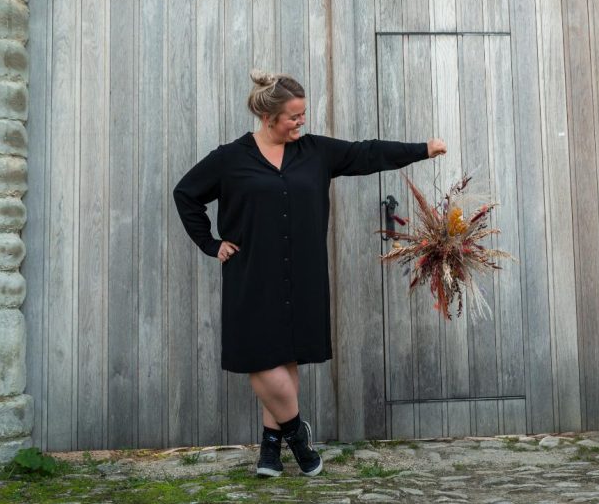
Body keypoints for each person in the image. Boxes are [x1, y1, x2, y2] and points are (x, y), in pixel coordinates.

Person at [173, 69, 446, 478]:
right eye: (294, 117)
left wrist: (423, 148)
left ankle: (270, 451)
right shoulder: (231, 159)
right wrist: (211, 244)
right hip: (251, 275)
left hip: (303, 273)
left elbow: (366, 153)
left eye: (303, 115)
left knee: (286, 359)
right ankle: (298, 437)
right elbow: (186, 194)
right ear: (268, 118)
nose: (301, 122)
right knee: (261, 361)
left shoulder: (315, 152)